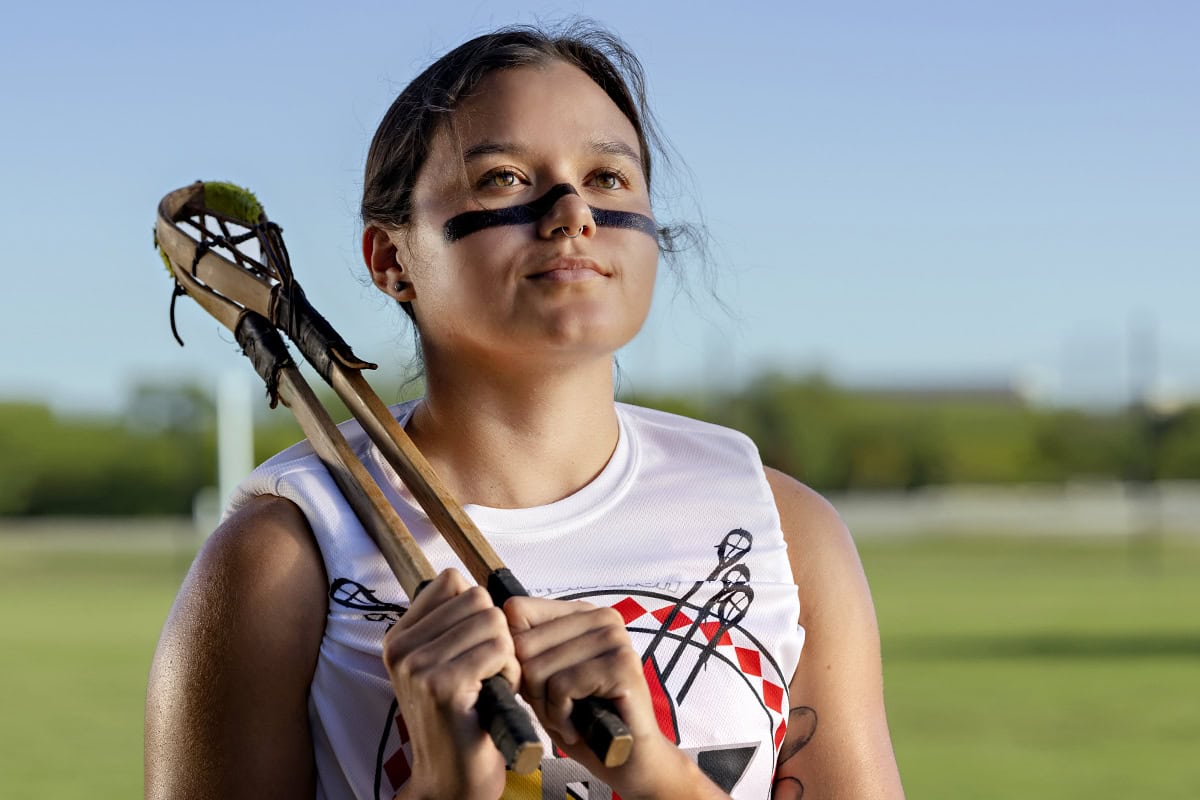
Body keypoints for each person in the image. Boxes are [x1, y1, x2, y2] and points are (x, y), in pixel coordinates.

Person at [145, 23, 904, 800]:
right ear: (391, 260)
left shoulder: (783, 529)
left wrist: (653, 773)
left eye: (609, 177)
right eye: (505, 178)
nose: (573, 210)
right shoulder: (286, 553)